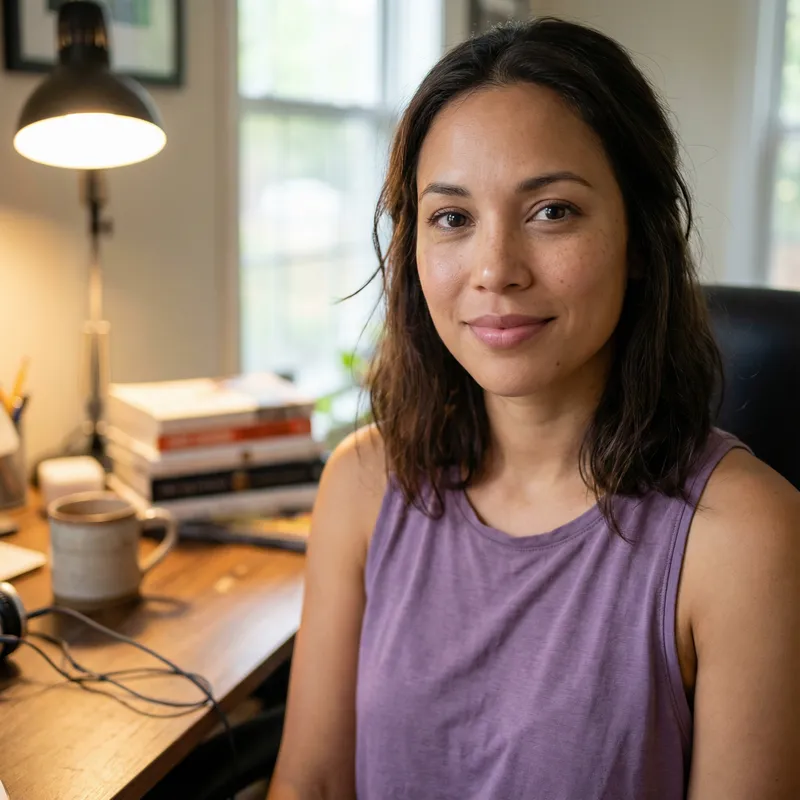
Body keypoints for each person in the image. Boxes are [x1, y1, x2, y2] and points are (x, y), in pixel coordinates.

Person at [267, 17, 800, 800]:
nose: (495, 270)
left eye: (552, 211)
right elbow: (311, 782)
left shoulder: (747, 535)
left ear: (641, 238)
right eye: (453, 218)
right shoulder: (362, 483)